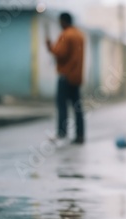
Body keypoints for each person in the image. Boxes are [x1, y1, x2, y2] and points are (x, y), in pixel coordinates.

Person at [46, 12, 85, 144]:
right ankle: (80, 135)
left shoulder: (66, 35)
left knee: (62, 105)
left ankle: (62, 133)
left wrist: (50, 46)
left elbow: (60, 53)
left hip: (65, 76)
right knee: (77, 107)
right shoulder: (79, 35)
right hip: (77, 77)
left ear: (63, 21)